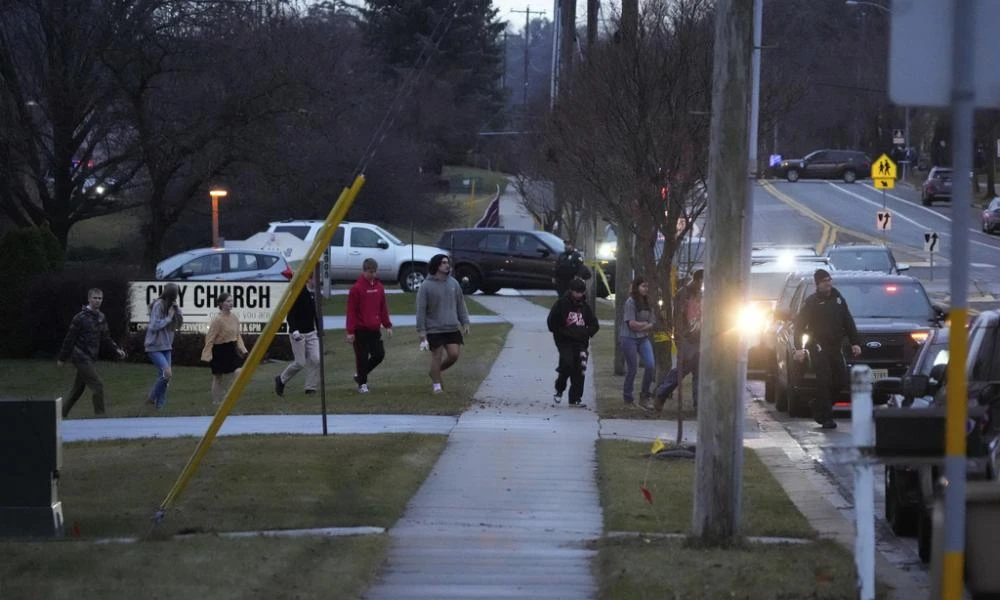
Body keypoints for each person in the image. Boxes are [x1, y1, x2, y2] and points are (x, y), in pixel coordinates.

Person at [793, 269, 861, 430]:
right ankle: (828, 418)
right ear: (818, 284)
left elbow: (848, 321)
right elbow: (799, 327)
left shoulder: (838, 299)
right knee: (824, 381)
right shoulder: (812, 302)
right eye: (824, 281)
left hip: (836, 346)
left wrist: (855, 342)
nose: (828, 283)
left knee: (841, 380)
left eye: (829, 280)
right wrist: (799, 348)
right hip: (818, 345)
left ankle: (819, 406)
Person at [56, 288, 126, 418]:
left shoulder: (101, 317)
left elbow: (106, 337)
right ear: (89, 299)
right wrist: (62, 358)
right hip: (80, 356)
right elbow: (69, 338)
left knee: (77, 390)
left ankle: (60, 415)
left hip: (91, 357)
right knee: (97, 385)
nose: (97, 301)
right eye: (95, 298)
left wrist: (117, 350)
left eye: (100, 298)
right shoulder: (80, 317)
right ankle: (100, 417)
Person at [415, 254, 470, 394]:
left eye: (448, 262)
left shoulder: (453, 283)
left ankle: (435, 372)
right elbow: (420, 310)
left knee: (454, 355)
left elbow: (460, 304)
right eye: (444, 263)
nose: (447, 265)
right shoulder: (426, 286)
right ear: (437, 265)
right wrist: (422, 331)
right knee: (437, 356)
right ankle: (437, 385)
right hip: (434, 328)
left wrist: (465, 322)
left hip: (451, 327)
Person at [654, 268, 703, 411]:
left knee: (699, 373)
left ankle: (698, 405)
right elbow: (678, 317)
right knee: (681, 370)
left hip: (700, 337)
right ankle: (660, 395)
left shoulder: (702, 294)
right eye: (701, 282)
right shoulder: (684, 293)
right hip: (687, 338)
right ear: (698, 280)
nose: (701, 286)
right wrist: (681, 337)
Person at [547, 277, 600, 407]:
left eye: (581, 292)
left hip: (581, 342)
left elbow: (594, 324)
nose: (579, 295)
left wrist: (586, 333)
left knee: (580, 369)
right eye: (577, 292)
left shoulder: (585, 307)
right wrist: (563, 333)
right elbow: (551, 323)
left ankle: (575, 398)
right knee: (567, 364)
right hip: (564, 341)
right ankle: (559, 389)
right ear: (571, 291)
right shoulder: (561, 304)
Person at [346, 258, 393, 393]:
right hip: (360, 329)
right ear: (364, 271)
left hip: (374, 329)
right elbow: (351, 311)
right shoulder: (356, 289)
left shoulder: (379, 287)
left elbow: (383, 308)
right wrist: (350, 331)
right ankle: (362, 384)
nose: (373, 275)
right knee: (361, 357)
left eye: (374, 272)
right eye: (370, 272)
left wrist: (387, 325)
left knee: (379, 354)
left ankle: (360, 375)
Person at [275, 277, 320, 397]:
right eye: (316, 278)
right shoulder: (298, 293)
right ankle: (281, 379)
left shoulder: (314, 294)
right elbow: (290, 314)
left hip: (311, 332)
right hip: (298, 333)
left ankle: (310, 388)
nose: (318, 281)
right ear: (308, 279)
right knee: (300, 363)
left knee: (316, 359)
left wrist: (319, 330)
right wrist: (294, 331)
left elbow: (316, 314)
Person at [201, 292, 248, 405]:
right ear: (221, 304)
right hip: (219, 350)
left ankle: (228, 395)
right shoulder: (217, 320)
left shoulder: (234, 317)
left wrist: (243, 349)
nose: (230, 303)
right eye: (228, 301)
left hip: (231, 349)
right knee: (218, 377)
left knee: (239, 372)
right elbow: (210, 338)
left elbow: (237, 335)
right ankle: (216, 402)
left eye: (231, 301)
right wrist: (207, 354)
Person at [144, 283, 183, 410]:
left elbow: (179, 324)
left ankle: (159, 407)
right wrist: (169, 317)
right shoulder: (158, 305)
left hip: (167, 345)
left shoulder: (173, 305)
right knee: (167, 373)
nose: (174, 296)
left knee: (165, 378)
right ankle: (151, 397)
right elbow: (154, 325)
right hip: (154, 345)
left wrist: (177, 312)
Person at [621, 275, 656, 410]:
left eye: (647, 286)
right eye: (643, 286)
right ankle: (628, 397)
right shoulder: (630, 302)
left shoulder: (649, 302)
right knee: (633, 369)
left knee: (650, 364)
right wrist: (645, 324)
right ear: (637, 287)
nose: (645, 289)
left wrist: (643, 325)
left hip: (643, 338)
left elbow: (652, 323)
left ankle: (645, 396)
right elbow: (631, 324)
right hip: (628, 337)